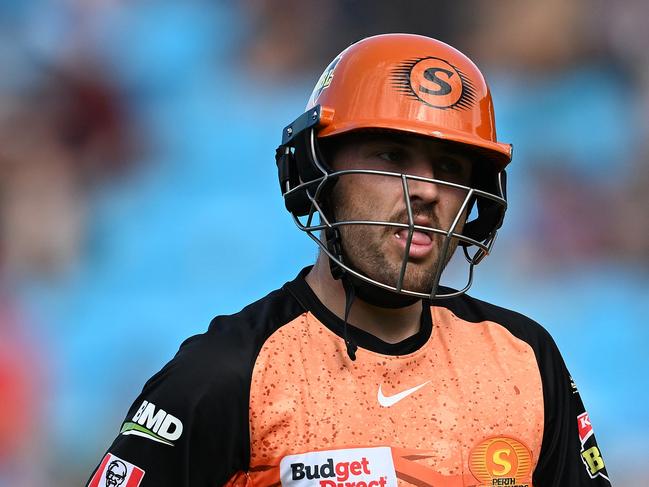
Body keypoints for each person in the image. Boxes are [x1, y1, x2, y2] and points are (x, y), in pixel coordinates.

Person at [86, 34, 610, 487]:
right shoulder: (225, 377)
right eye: (391, 156)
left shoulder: (526, 361)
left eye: (450, 167)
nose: (426, 191)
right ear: (317, 174)